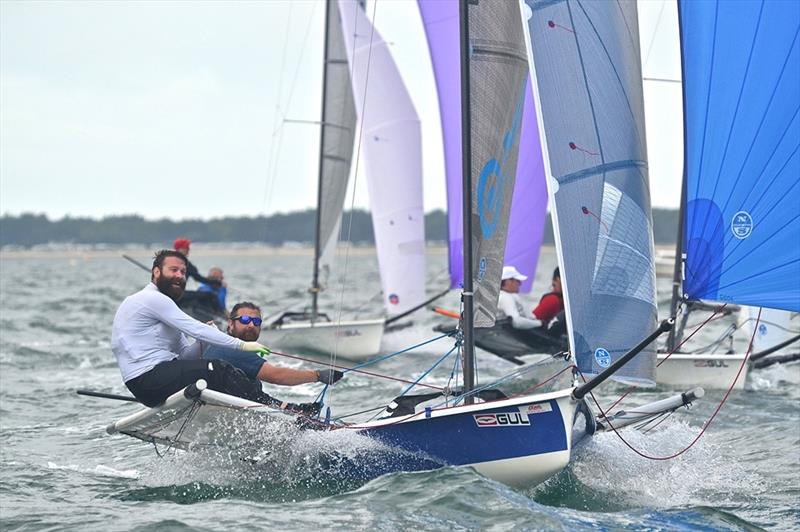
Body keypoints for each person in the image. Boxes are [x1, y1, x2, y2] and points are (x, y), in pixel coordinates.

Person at [111, 249, 319, 415]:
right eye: (173, 270)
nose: (180, 276)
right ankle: (283, 410)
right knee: (218, 369)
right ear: (156, 272)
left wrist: (202, 342)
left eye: (183, 272)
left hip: (152, 382)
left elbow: (184, 355)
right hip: (147, 379)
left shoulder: (165, 309)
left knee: (216, 370)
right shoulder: (151, 299)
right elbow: (194, 328)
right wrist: (242, 345)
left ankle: (272, 412)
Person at [204, 301, 344, 387]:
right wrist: (318, 375)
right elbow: (276, 376)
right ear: (230, 323)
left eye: (257, 322)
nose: (251, 325)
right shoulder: (233, 349)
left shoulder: (221, 343)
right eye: (245, 320)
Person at [497, 265, 543, 330]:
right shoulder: (505, 297)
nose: (520, 284)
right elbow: (516, 322)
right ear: (508, 282)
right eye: (518, 281)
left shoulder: (507, 296)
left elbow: (530, 316)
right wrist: (540, 323)